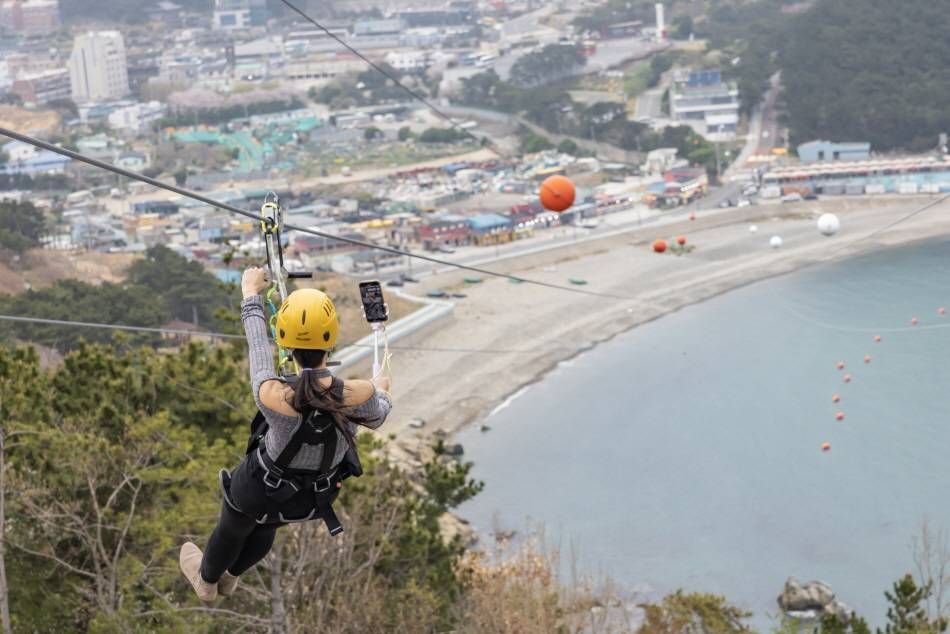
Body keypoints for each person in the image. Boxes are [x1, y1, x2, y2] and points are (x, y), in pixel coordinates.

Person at [179, 267, 392, 601]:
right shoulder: (358, 396)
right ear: (331, 339)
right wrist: (381, 389)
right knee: (266, 524)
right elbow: (380, 414)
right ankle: (232, 575)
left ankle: (206, 580)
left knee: (236, 521)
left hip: (261, 489)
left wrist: (251, 293)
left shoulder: (272, 395)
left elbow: (258, 343)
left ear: (284, 339)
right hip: (312, 499)